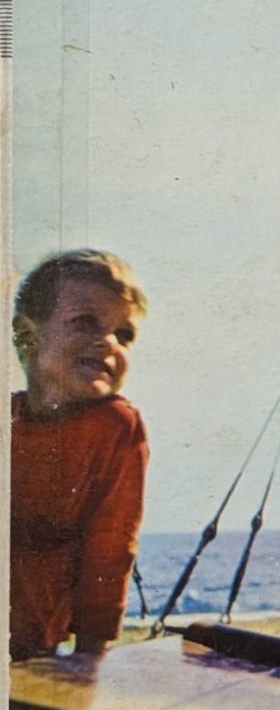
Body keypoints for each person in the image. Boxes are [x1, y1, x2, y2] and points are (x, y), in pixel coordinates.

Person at [10, 248, 149, 659]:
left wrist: (90, 656)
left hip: (30, 646)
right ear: (28, 337)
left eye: (124, 334)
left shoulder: (115, 429)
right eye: (86, 322)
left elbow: (111, 549)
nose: (108, 342)